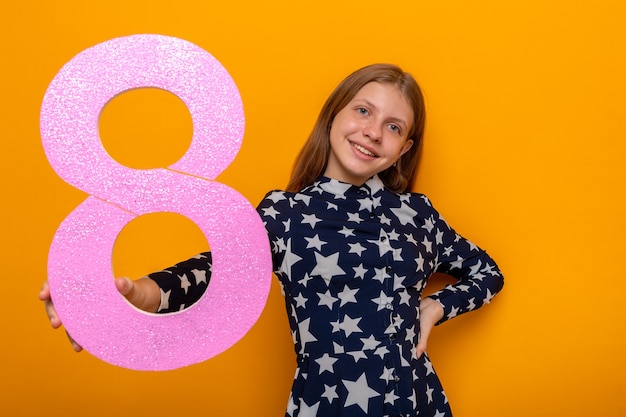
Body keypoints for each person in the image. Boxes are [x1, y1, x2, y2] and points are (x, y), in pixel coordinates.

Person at [40, 63, 504, 417]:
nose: (372, 132)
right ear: (334, 114)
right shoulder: (285, 213)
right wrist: (127, 296)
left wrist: (437, 305)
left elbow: (489, 271)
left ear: (404, 148)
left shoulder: (416, 215)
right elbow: (209, 271)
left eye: (394, 126)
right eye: (363, 110)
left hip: (418, 405)